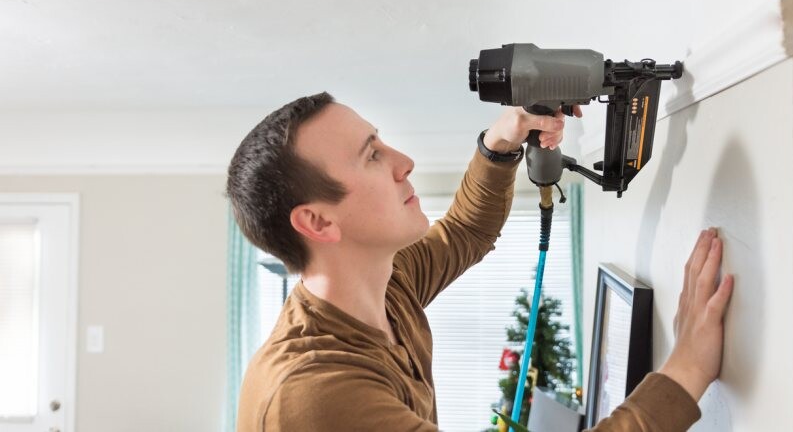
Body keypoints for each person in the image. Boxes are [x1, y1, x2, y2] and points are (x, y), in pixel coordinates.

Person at [226, 92, 734, 431]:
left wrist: (502, 139)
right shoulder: (314, 394)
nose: (404, 161)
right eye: (372, 156)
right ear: (317, 223)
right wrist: (687, 368)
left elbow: (465, 231)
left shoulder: (384, 287)